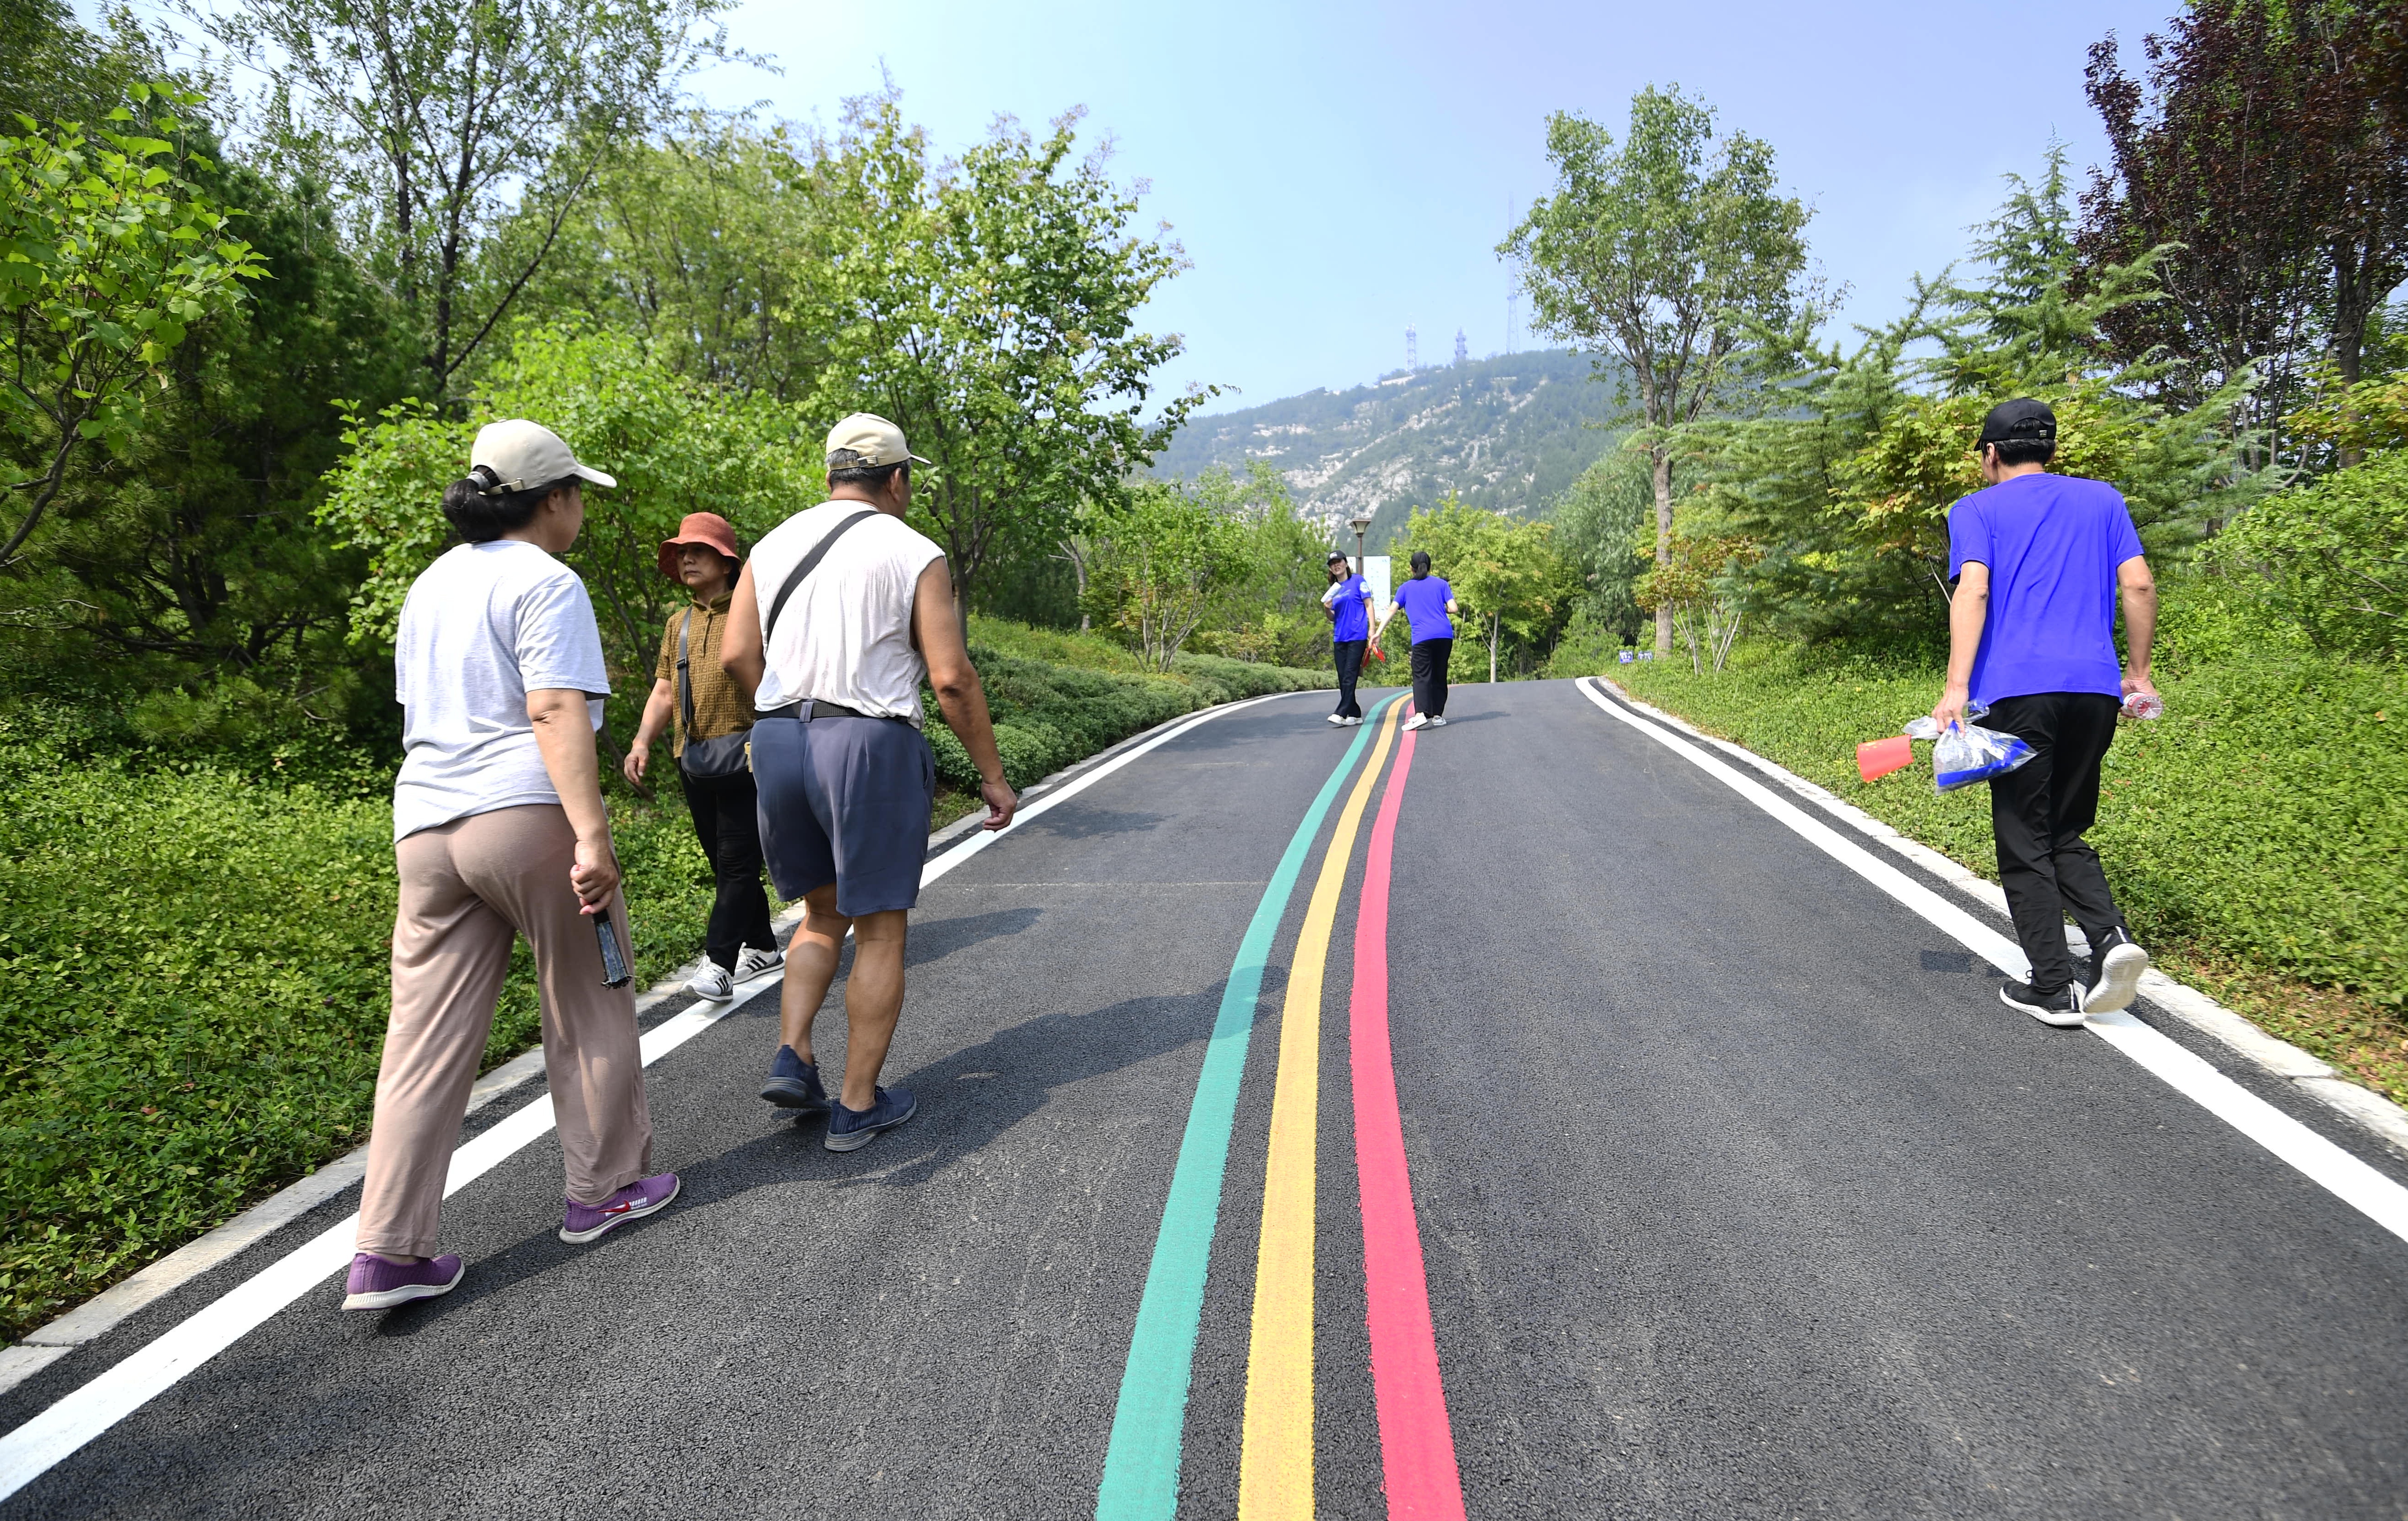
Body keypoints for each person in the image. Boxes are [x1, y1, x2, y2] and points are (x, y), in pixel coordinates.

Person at [344, 420, 675, 1313]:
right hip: (525, 817)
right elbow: (554, 708)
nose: (580, 512)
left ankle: (388, 1250)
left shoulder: (429, 585)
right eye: (578, 496)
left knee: (419, 1042)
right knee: (587, 1000)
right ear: (553, 500)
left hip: (425, 830)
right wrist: (592, 836)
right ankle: (605, 1187)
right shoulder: (545, 579)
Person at [720, 414, 1019, 1151]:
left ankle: (796, 1052)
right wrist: (992, 776)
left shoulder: (770, 544)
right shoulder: (914, 550)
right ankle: (857, 1105)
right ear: (895, 479)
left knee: (820, 914)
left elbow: (734, 655)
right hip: (867, 742)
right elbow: (949, 678)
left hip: (780, 737)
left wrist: (783, 715)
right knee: (880, 923)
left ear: (830, 475)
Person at [1932, 398, 2157, 1027]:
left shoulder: (1974, 509)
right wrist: (2135, 675)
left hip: (2017, 692)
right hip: (2094, 691)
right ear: (2049, 450)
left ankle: (2052, 987)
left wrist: (1955, 687)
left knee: (2022, 835)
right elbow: (2136, 584)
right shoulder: (2102, 500)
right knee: (2064, 828)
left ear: (1990, 453)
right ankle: (2110, 941)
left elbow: (1972, 587)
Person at [624, 513, 784, 1002]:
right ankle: (762, 946)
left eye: (698, 550)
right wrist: (641, 741)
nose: (686, 558)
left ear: (727, 561)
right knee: (723, 862)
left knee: (737, 862)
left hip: (751, 754)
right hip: (693, 757)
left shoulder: (755, 610)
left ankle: (718, 964)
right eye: (681, 552)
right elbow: (665, 691)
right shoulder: (680, 621)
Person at [1386, 549, 1458, 731]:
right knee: (1439, 675)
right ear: (1430, 567)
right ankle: (1438, 716)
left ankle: (1420, 715)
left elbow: (1392, 611)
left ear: (1412, 568)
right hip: (1444, 635)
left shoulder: (1405, 588)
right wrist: (1441, 610)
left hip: (1422, 637)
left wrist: (1378, 632)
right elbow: (1454, 608)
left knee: (1422, 675)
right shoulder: (1442, 584)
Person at [1322, 550, 1373, 727]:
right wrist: (1327, 608)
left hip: (1357, 635)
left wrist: (1372, 630)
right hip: (1340, 637)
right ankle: (1355, 712)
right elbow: (1332, 617)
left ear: (1345, 563)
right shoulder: (1334, 590)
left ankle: (1341, 712)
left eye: (1339, 562)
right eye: (1332, 563)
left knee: (1350, 675)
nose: (1336, 565)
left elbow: (1369, 604)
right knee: (1343, 676)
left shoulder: (1358, 581)